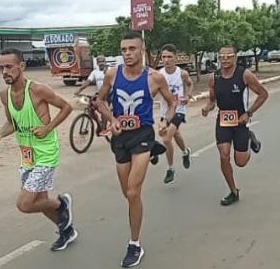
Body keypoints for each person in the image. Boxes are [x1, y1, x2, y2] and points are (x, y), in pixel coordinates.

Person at [97, 32, 176, 267]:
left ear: (142, 50)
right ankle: (152, 152)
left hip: (143, 135)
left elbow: (172, 103)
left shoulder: (154, 78)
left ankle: (134, 244)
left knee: (133, 193)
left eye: (132, 48)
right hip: (120, 138)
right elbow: (100, 101)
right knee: (128, 195)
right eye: (124, 49)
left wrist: (165, 121)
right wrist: (111, 119)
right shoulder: (112, 74)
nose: (128, 53)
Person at [0, 47, 76, 251]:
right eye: (0, 68)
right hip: (27, 156)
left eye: (9, 67)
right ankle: (67, 232)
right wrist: (0, 134)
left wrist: (47, 128)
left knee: (25, 204)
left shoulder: (38, 90)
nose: (4, 72)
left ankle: (61, 205)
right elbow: (12, 123)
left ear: (22, 66)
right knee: (40, 199)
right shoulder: (5, 95)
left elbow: (66, 107)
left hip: (46, 153)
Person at [201, 46, 269, 206]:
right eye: (222, 57)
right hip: (223, 120)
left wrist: (249, 113)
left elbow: (263, 94)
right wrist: (207, 108)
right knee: (224, 155)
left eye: (229, 56)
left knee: (241, 162)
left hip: (241, 122)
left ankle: (250, 137)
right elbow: (212, 100)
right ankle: (233, 191)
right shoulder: (214, 77)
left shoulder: (244, 75)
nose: (225, 59)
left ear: (235, 57)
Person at [156, 44, 194, 184]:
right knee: (176, 133)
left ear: (175, 58)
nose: (166, 60)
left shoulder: (182, 73)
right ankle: (185, 152)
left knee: (166, 139)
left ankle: (170, 168)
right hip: (165, 111)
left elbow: (189, 84)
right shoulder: (159, 75)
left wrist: (188, 96)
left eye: (169, 57)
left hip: (179, 110)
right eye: (164, 57)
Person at [75, 56, 109, 135]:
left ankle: (104, 128)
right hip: (100, 93)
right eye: (99, 62)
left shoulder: (109, 71)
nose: (101, 63)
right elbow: (88, 81)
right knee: (90, 108)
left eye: (103, 61)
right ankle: (99, 124)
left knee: (103, 107)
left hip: (109, 93)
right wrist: (79, 90)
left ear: (105, 62)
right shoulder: (95, 72)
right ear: (97, 63)